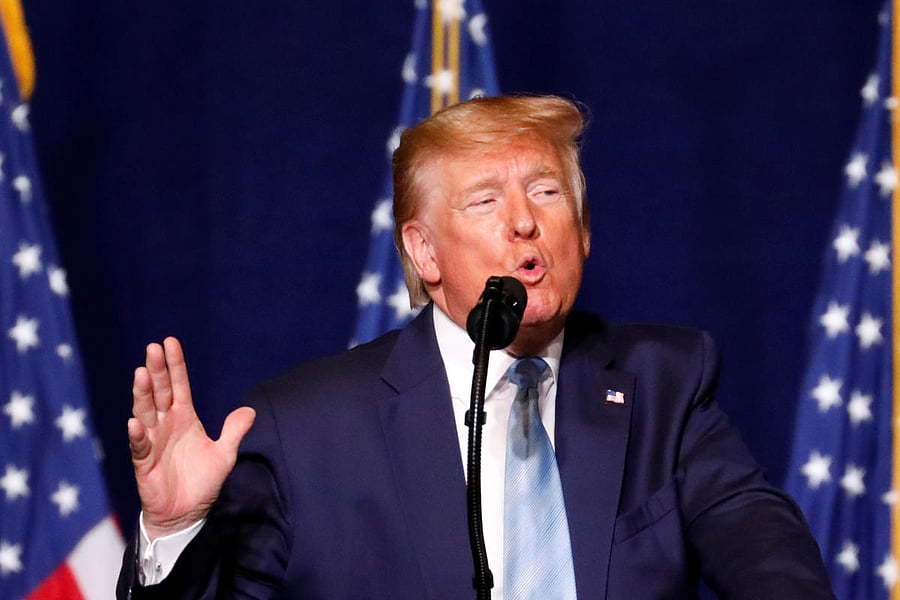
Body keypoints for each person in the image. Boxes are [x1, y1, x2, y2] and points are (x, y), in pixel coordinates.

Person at [117, 95, 835, 599]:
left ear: (582, 232)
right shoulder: (305, 429)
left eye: (548, 193)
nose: (524, 223)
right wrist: (176, 533)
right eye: (486, 201)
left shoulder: (665, 386)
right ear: (422, 252)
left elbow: (771, 562)